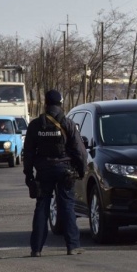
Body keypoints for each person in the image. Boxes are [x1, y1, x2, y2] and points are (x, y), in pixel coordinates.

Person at [23, 90, 87, 257]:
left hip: (43, 171)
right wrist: (81, 170)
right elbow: (80, 151)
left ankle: (36, 249)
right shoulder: (68, 124)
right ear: (61, 104)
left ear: (45, 104)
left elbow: (28, 152)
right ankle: (72, 246)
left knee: (42, 207)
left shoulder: (36, 125)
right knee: (67, 207)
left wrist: (28, 175)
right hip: (65, 170)